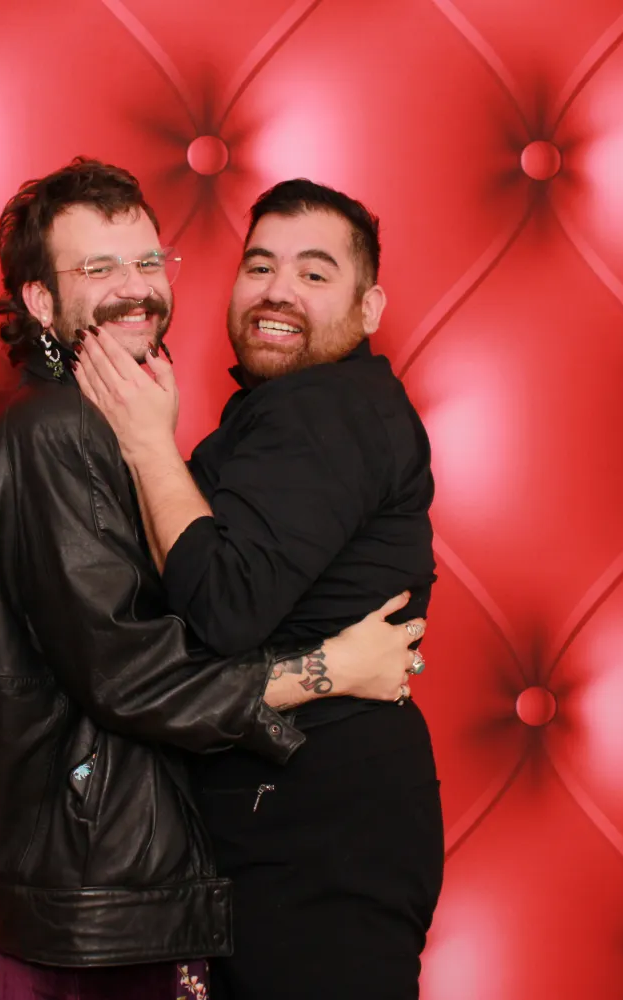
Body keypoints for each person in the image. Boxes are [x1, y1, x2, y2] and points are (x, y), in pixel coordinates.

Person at [0, 159, 431, 1000]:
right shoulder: (61, 430)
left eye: (147, 262)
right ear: (41, 301)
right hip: (97, 888)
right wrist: (327, 672)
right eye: (99, 269)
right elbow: (135, 671)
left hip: (138, 879)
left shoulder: (105, 424)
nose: (135, 289)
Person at [74, 178, 444, 999]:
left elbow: (225, 608)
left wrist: (148, 447)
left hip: (319, 829)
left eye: (315, 274)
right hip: (294, 817)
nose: (278, 290)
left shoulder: (328, 410)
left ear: (370, 306)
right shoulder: (280, 415)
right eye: (260, 266)